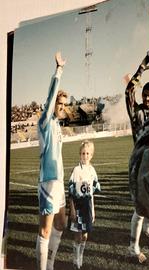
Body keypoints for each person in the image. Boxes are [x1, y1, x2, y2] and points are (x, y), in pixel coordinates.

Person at [36, 52, 68, 270]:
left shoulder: (57, 125)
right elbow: (50, 100)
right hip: (48, 182)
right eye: (60, 103)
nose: (62, 106)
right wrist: (59, 71)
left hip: (59, 183)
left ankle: (50, 263)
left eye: (65, 104)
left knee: (61, 224)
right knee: (45, 230)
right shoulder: (46, 121)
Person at [124, 52, 149, 263]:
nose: (146, 98)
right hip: (139, 166)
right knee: (140, 209)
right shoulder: (136, 112)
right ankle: (133, 249)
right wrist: (143, 65)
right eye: (144, 95)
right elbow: (129, 90)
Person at [68, 140, 101, 269]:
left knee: (85, 235)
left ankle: (81, 255)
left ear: (91, 155)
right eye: (83, 153)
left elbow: (94, 191)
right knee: (78, 235)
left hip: (88, 207)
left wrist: (93, 210)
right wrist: (71, 209)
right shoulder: (76, 170)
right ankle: (76, 259)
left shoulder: (92, 171)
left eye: (87, 153)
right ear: (79, 154)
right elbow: (71, 192)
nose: (85, 156)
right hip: (77, 207)